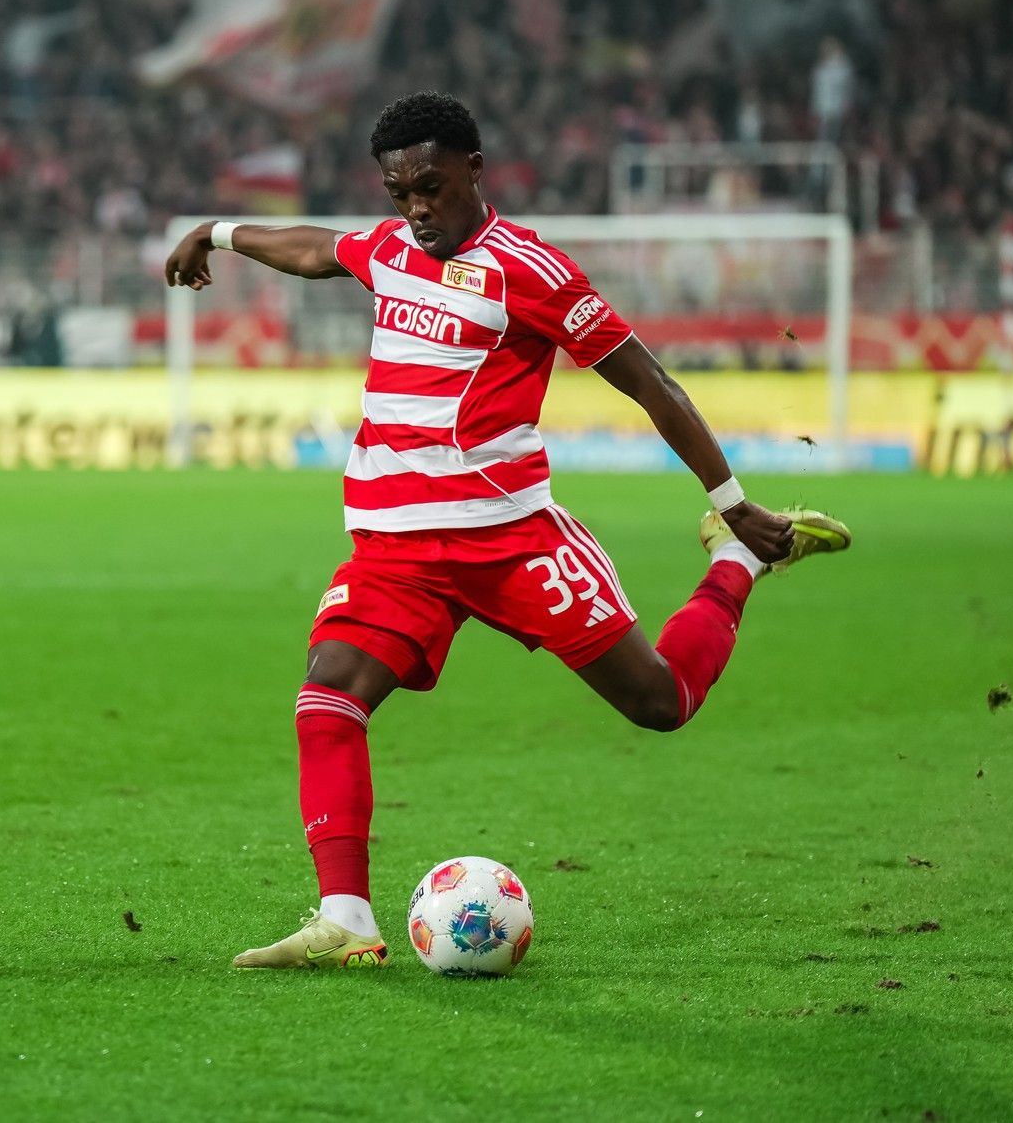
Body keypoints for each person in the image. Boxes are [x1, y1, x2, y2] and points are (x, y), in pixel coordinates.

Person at [164, 93, 852, 971]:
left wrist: (733, 494)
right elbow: (314, 248)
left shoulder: (532, 272)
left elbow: (650, 385)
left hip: (510, 540)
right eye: (399, 190)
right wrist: (220, 233)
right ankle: (347, 918)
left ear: (474, 172)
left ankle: (737, 558)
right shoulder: (388, 248)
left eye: (433, 186)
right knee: (328, 692)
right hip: (397, 550)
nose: (416, 208)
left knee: (661, 703)